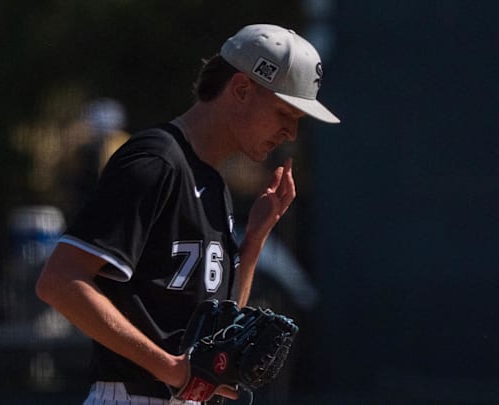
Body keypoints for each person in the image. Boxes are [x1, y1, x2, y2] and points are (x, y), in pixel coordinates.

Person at [35, 24, 339, 404]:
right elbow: (60, 280)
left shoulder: (211, 184)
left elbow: (222, 326)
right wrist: (170, 368)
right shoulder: (155, 161)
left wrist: (256, 239)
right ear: (242, 89)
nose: (290, 132)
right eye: (284, 113)